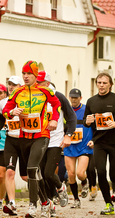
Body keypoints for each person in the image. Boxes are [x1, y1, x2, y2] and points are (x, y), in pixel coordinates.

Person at [2, 61, 61, 218]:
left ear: (36, 75)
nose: (26, 76)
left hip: (41, 135)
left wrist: (54, 120)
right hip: (24, 136)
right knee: (33, 174)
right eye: (24, 73)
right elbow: (6, 110)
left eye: (29, 74)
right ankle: (46, 202)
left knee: (32, 168)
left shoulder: (45, 91)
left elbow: (57, 105)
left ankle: (32, 206)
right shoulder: (17, 92)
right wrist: (12, 112)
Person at [83, 72, 115, 215]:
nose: (101, 85)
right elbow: (86, 121)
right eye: (99, 82)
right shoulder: (91, 101)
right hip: (99, 142)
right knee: (101, 173)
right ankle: (108, 204)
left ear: (110, 84)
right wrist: (88, 121)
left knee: (114, 174)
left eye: (104, 83)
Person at [36, 72, 76, 213]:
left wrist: (68, 135)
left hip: (55, 139)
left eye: (39, 82)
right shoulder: (33, 96)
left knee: (48, 173)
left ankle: (61, 187)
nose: (36, 85)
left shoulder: (58, 96)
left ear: (47, 84)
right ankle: (49, 204)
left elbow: (72, 117)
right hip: (39, 139)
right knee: (39, 174)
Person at [0, 76, 28, 215]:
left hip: (25, 140)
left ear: (21, 87)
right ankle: (12, 203)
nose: (11, 87)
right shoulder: (3, 102)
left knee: (26, 177)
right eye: (9, 84)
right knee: (9, 172)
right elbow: (2, 118)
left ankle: (45, 197)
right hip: (11, 140)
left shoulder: (27, 101)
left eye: (14, 85)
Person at [64, 88, 94, 208]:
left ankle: (85, 182)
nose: (74, 99)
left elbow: (94, 126)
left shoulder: (87, 109)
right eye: (72, 97)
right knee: (71, 174)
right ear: (69, 98)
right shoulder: (65, 111)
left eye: (76, 97)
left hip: (84, 146)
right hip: (70, 146)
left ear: (80, 98)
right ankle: (76, 200)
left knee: (80, 173)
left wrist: (94, 140)